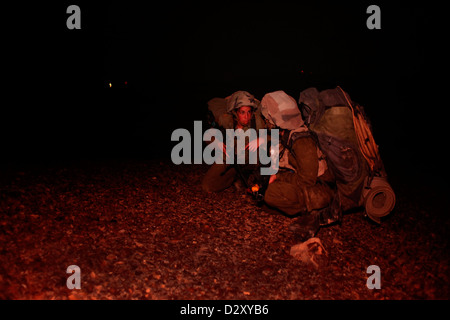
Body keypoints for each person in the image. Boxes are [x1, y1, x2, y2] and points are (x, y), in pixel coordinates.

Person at [260, 90, 336, 240]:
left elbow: (307, 180)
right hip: (306, 183)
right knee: (264, 193)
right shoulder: (283, 134)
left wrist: (278, 177)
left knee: (271, 194)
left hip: (321, 190)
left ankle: (313, 210)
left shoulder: (301, 140)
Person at [202, 91, 266, 193]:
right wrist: (216, 143)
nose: (247, 116)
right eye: (242, 112)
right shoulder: (226, 120)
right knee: (208, 186)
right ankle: (233, 177)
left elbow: (276, 135)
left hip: (251, 160)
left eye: (249, 112)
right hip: (230, 158)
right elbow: (208, 134)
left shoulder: (257, 121)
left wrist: (262, 139)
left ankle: (249, 175)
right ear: (235, 112)